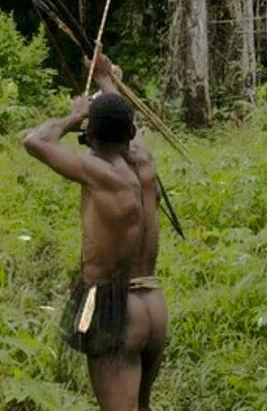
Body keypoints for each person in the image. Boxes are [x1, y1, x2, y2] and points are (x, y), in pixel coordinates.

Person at [22, 46, 168, 411]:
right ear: (131, 132)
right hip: (152, 305)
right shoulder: (144, 164)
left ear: (91, 133)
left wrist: (76, 115)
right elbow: (124, 121)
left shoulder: (99, 172)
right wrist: (105, 79)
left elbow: (35, 141)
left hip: (115, 309)